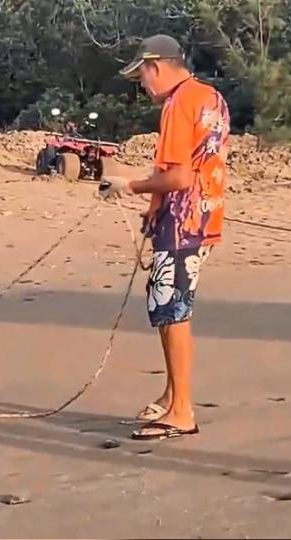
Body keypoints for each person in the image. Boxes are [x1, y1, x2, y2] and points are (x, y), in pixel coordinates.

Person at [98, 34, 230, 441]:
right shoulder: (213, 98)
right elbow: (189, 166)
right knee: (169, 307)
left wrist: (129, 185)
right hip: (204, 216)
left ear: (155, 67)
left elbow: (177, 176)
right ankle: (173, 395)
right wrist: (154, 207)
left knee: (172, 313)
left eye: (142, 78)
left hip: (184, 221)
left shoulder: (177, 104)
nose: (143, 86)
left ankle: (182, 410)